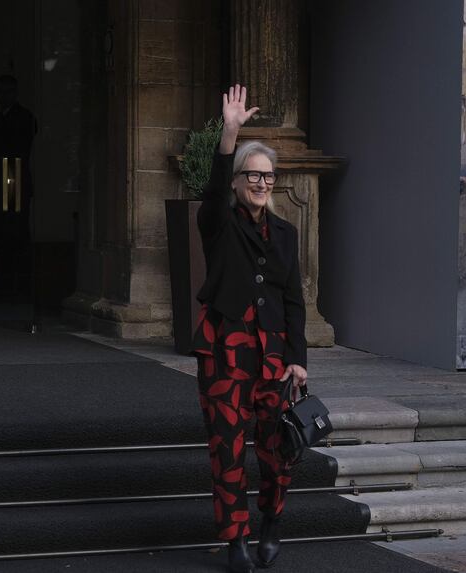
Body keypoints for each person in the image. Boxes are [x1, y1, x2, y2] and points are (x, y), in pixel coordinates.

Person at [191, 84, 307, 573]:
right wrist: (230, 133)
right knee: (229, 448)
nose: (262, 183)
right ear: (238, 182)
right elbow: (213, 192)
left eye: (268, 177)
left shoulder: (285, 234)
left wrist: (299, 358)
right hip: (224, 349)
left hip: (274, 355)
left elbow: (294, 300)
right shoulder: (218, 222)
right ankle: (235, 538)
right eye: (253, 176)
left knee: (277, 449)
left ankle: (271, 524)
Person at [0, 75, 37, 297]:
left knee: (16, 232)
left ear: (15, 93)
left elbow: (17, 150)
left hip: (12, 177)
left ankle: (18, 286)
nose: (4, 96)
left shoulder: (24, 117)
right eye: (0, 91)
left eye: (8, 91)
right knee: (1, 232)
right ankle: (4, 284)